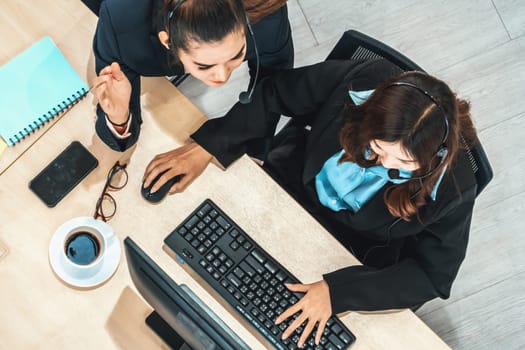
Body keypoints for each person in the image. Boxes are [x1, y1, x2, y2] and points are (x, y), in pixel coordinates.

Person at [146, 58, 479, 347]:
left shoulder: (455, 185)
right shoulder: (359, 84)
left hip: (349, 249)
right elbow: (275, 91)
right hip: (288, 186)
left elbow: (433, 275)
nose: (385, 165)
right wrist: (211, 146)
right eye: (379, 148)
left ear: (433, 156)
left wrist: (340, 292)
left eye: (404, 162)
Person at [91, 0, 293, 153]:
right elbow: (118, 132)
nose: (222, 77)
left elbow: (274, 87)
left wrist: (248, 150)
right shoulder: (122, 22)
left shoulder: (268, 21)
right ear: (167, 41)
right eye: (204, 66)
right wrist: (118, 118)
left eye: (237, 54)